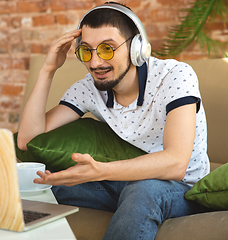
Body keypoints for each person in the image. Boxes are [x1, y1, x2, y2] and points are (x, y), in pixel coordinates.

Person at [17, 2, 210, 239]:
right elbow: (28, 140)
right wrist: (48, 70)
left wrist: (100, 171)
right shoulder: (90, 88)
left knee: (143, 190)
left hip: (180, 189)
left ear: (137, 47)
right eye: (87, 51)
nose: (95, 62)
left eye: (107, 49)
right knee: (34, 183)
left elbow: (176, 163)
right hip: (119, 182)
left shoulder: (175, 76)